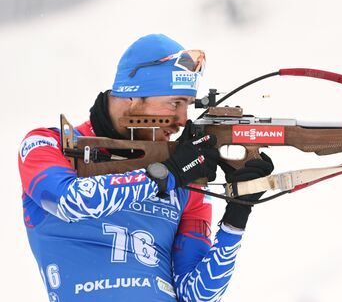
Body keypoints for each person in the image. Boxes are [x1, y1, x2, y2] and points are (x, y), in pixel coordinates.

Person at [18, 33, 272, 302]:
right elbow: (73, 201)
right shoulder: (48, 144)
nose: (183, 121)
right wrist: (167, 175)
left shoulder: (187, 180)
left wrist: (237, 214)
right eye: (175, 103)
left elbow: (196, 296)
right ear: (132, 97)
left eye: (188, 105)